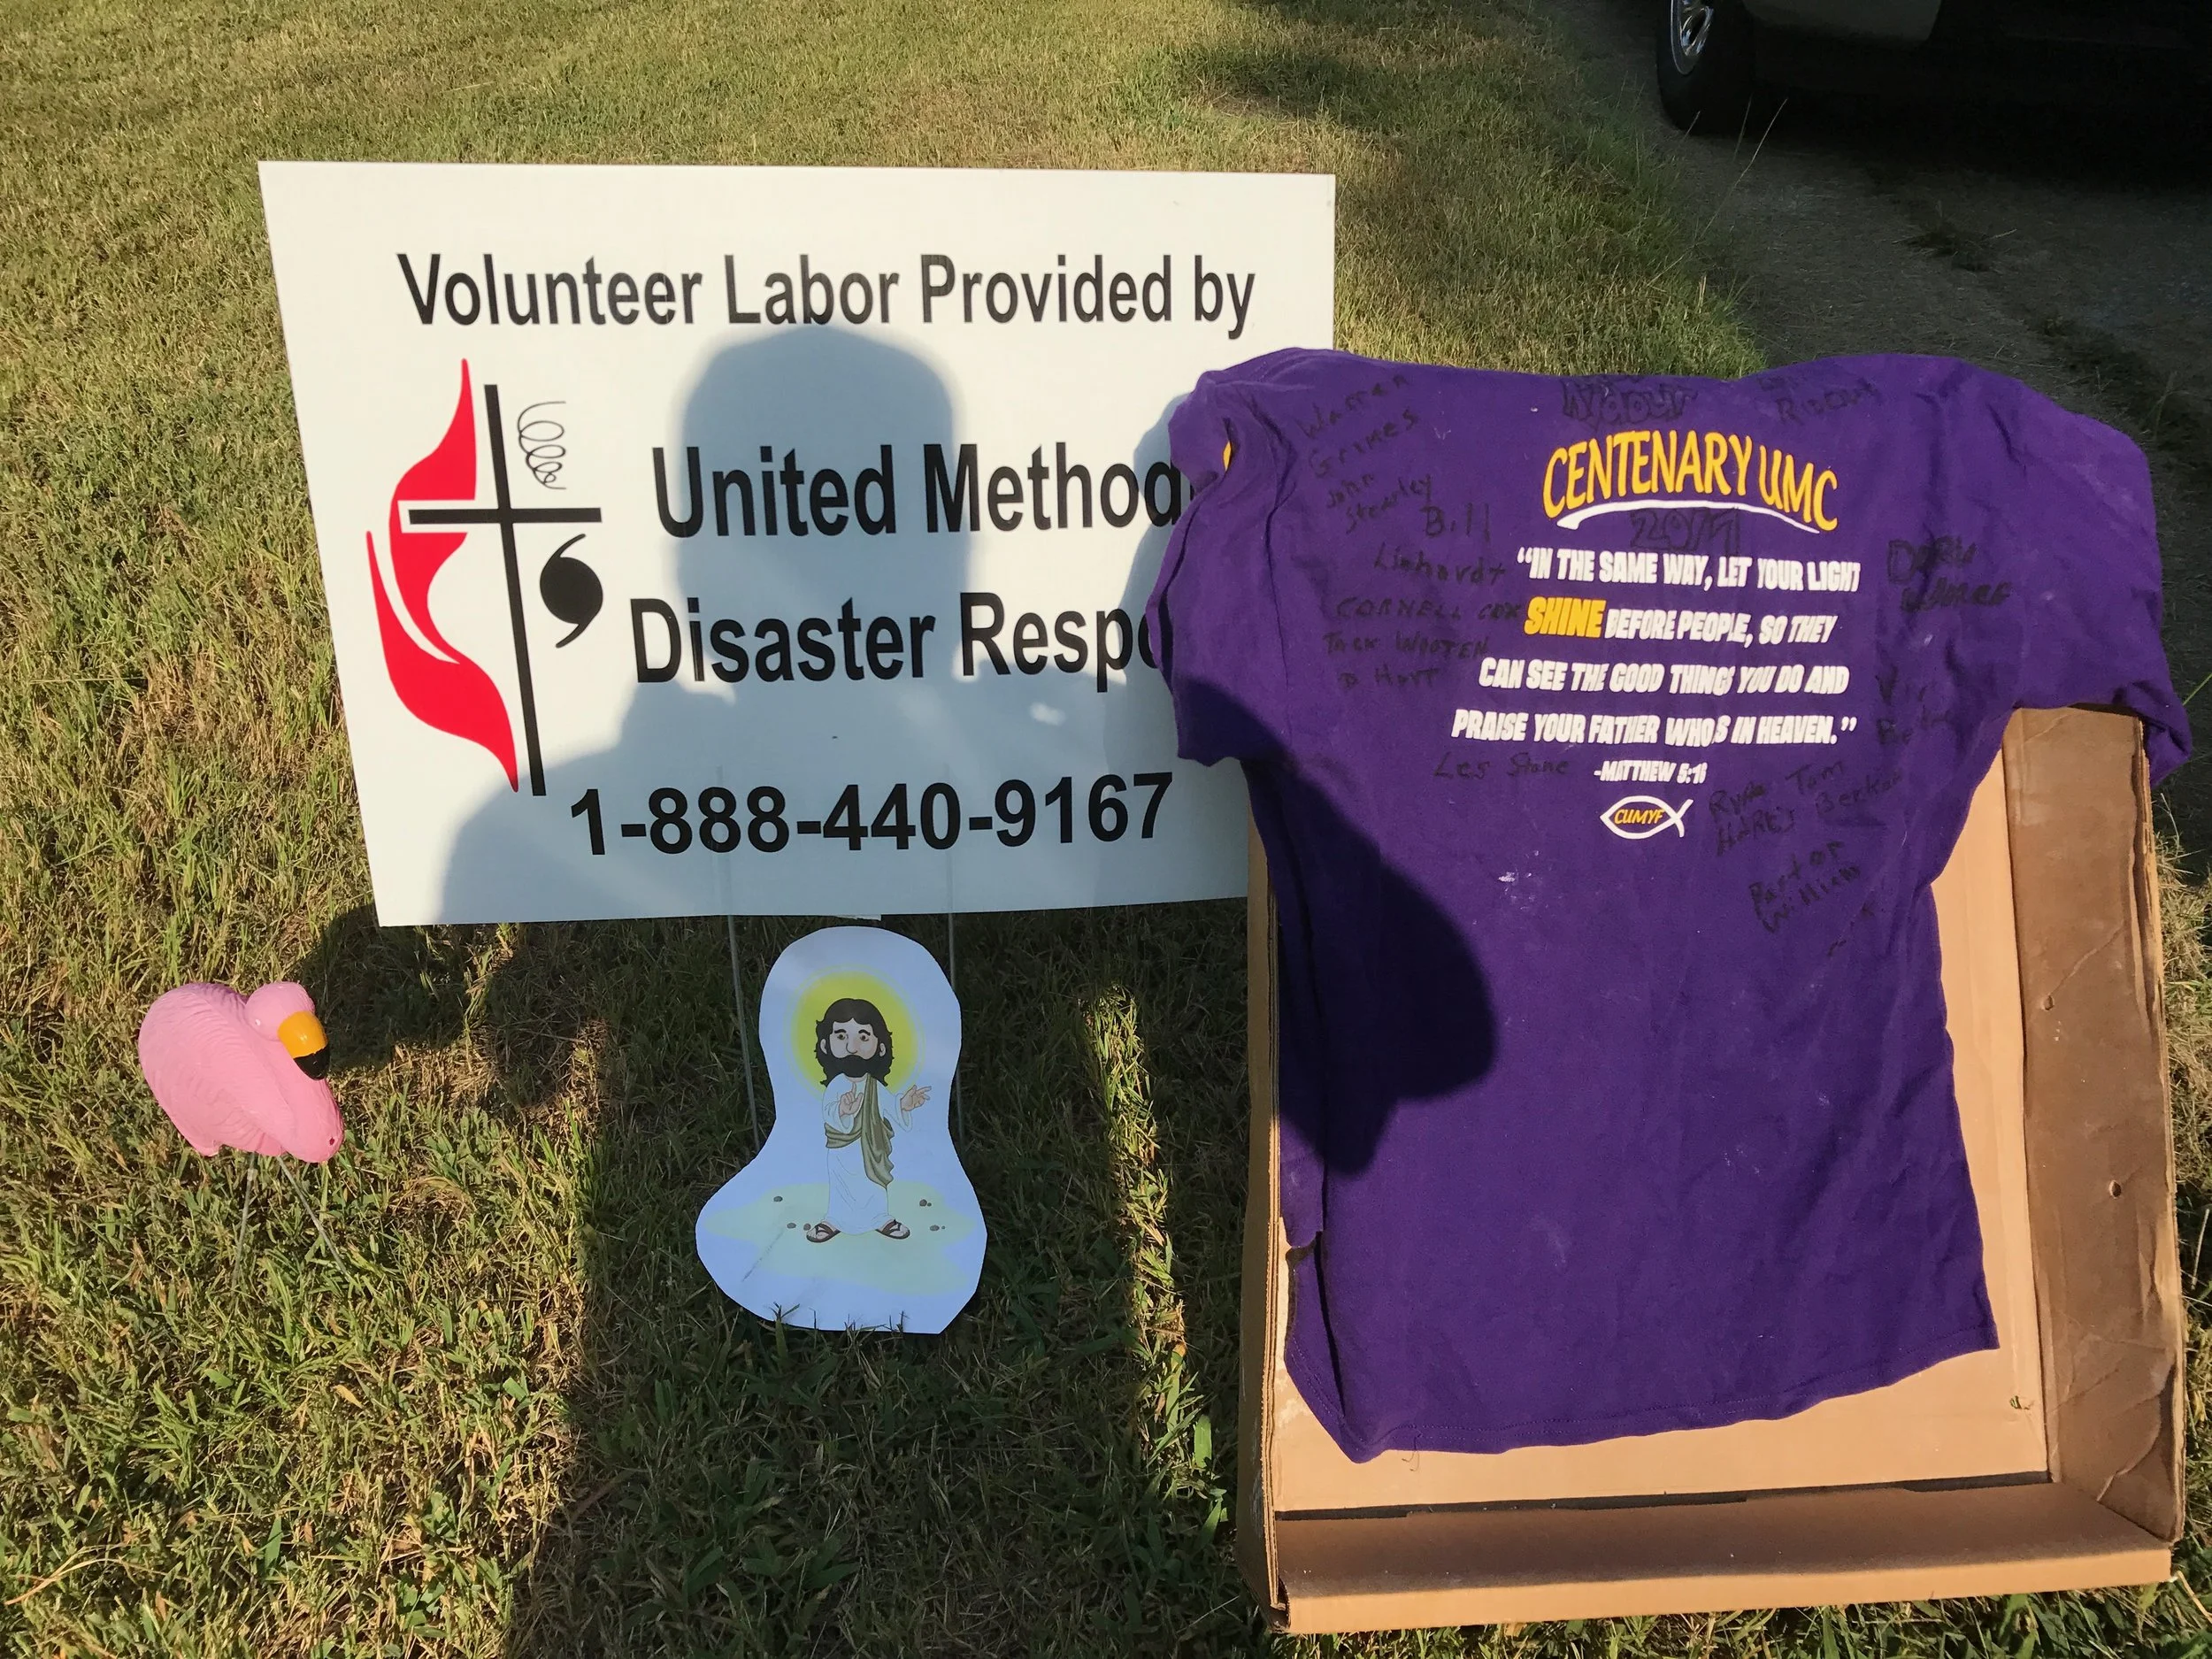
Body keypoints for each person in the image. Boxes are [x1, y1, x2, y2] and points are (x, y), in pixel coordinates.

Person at [803, 997, 929, 1242]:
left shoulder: (874, 1086)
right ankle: (834, 1220)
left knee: (872, 1186)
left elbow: (890, 1108)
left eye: (863, 1037)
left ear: (879, 1046)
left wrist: (904, 1105)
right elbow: (829, 1112)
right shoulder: (837, 1085)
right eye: (841, 1036)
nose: (852, 1047)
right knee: (842, 1187)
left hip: (871, 1149)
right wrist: (843, 1110)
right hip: (842, 1151)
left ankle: (881, 1218)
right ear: (826, 1044)